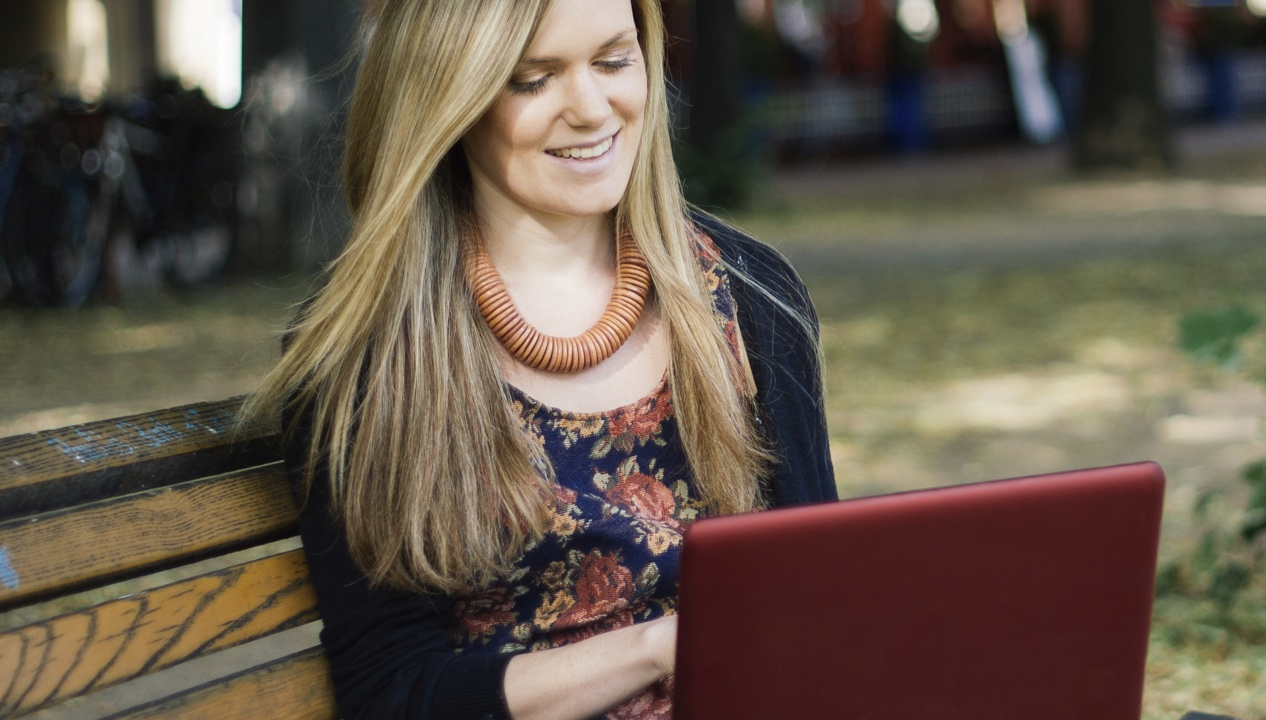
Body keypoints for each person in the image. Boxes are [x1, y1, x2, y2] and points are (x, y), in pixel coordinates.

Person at [243, 0, 835, 718]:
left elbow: (817, 596)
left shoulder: (750, 297)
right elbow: (392, 694)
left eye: (615, 60)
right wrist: (656, 649)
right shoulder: (369, 360)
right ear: (447, 96)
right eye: (532, 79)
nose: (591, 109)